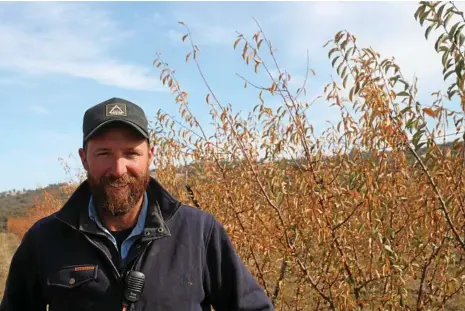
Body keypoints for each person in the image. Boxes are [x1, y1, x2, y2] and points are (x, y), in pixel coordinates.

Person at [0, 97, 273, 311]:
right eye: (104, 153)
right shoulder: (44, 239)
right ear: (84, 159)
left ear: (150, 156)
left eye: (131, 153)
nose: (119, 169)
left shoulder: (200, 233)